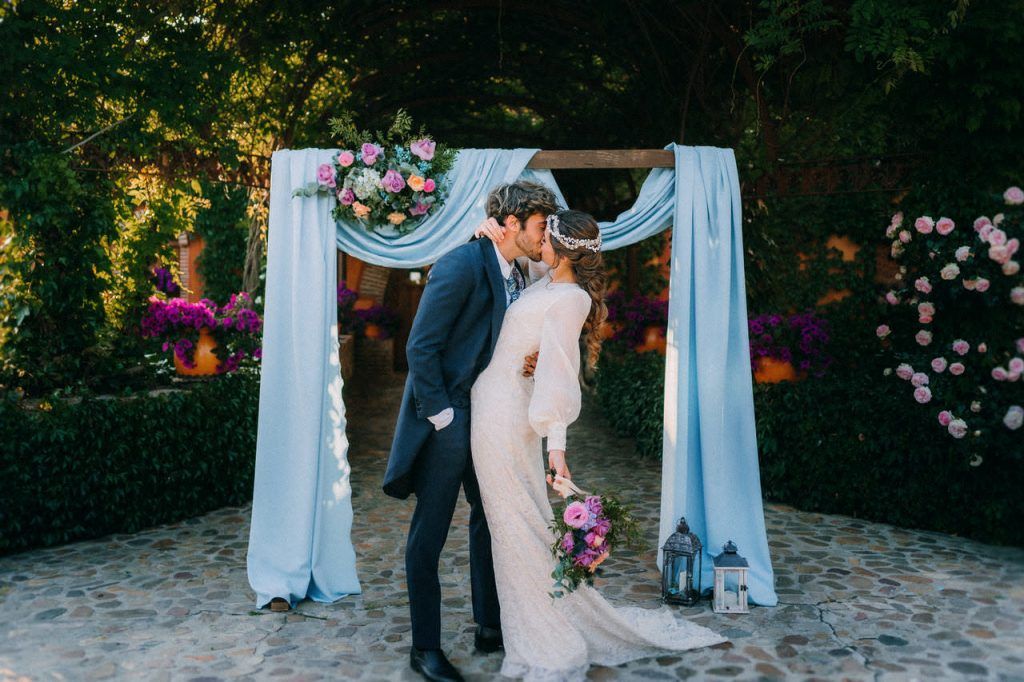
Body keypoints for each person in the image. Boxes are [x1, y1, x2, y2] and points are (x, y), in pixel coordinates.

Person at [470, 209, 726, 681]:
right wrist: (486, 232)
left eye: (546, 236)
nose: (539, 242)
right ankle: (525, 620)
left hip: (504, 416)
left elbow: (559, 372)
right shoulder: (544, 280)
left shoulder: (571, 299)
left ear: (564, 250)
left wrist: (556, 447)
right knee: (515, 521)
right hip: (493, 404)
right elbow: (510, 263)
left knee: (517, 523)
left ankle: (543, 633)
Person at [383, 181, 561, 682]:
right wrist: (442, 418)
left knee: (489, 518)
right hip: (450, 420)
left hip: (491, 420)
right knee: (430, 533)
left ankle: (489, 625)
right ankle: (425, 648)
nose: (544, 235)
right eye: (539, 225)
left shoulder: (516, 270)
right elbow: (420, 346)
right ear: (511, 224)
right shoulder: (461, 264)